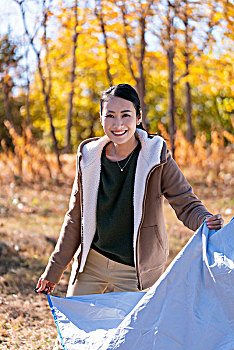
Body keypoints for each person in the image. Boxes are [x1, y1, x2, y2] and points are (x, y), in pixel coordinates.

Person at [36, 83, 223, 297]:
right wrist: (54, 270)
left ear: (138, 117)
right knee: (76, 326)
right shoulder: (89, 158)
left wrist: (206, 221)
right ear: (101, 119)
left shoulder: (157, 157)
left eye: (126, 115)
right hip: (92, 263)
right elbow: (74, 219)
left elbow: (186, 202)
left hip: (136, 269)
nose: (118, 124)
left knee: (134, 330)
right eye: (110, 116)